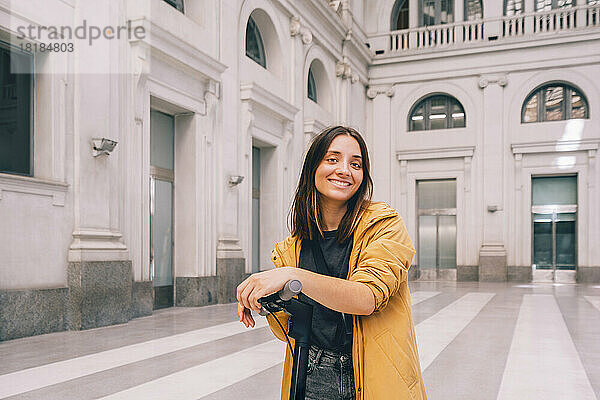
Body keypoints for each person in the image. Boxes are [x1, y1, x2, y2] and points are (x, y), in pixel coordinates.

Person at [237, 126, 427, 400]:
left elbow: (367, 298)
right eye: (332, 159)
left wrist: (293, 276)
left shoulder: (384, 225)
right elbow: (287, 332)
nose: (344, 170)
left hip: (372, 373)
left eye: (356, 164)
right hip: (310, 372)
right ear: (313, 167)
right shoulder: (293, 246)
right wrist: (267, 303)